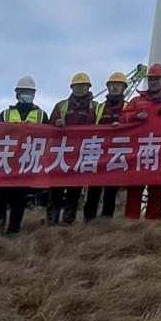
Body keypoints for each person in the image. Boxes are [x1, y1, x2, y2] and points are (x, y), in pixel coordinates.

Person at [122, 63, 161, 220]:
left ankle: (153, 226)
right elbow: (122, 118)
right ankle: (131, 224)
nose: (153, 82)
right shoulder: (136, 102)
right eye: (150, 79)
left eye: (156, 79)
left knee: (157, 191)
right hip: (138, 153)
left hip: (160, 154)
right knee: (134, 190)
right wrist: (135, 117)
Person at [0, 77, 45, 235]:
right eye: (24, 92)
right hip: (6, 162)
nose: (27, 95)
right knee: (0, 200)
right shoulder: (6, 114)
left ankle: (14, 231)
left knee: (19, 200)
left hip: (26, 164)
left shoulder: (42, 115)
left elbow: (49, 138)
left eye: (30, 92)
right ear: (17, 94)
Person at [46, 73, 101, 225]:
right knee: (55, 190)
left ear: (88, 88)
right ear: (72, 88)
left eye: (83, 86)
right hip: (61, 154)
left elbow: (101, 129)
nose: (80, 89)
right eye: (77, 86)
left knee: (74, 191)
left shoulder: (95, 107)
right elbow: (48, 127)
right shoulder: (62, 105)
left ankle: (67, 222)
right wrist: (56, 123)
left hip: (81, 155)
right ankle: (52, 222)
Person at [84, 70, 128, 222]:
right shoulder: (98, 108)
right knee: (93, 192)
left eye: (118, 85)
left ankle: (105, 224)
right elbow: (88, 126)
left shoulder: (129, 107)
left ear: (124, 88)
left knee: (110, 192)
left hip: (117, 155)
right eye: (113, 85)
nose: (115, 88)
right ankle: (88, 221)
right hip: (98, 154)